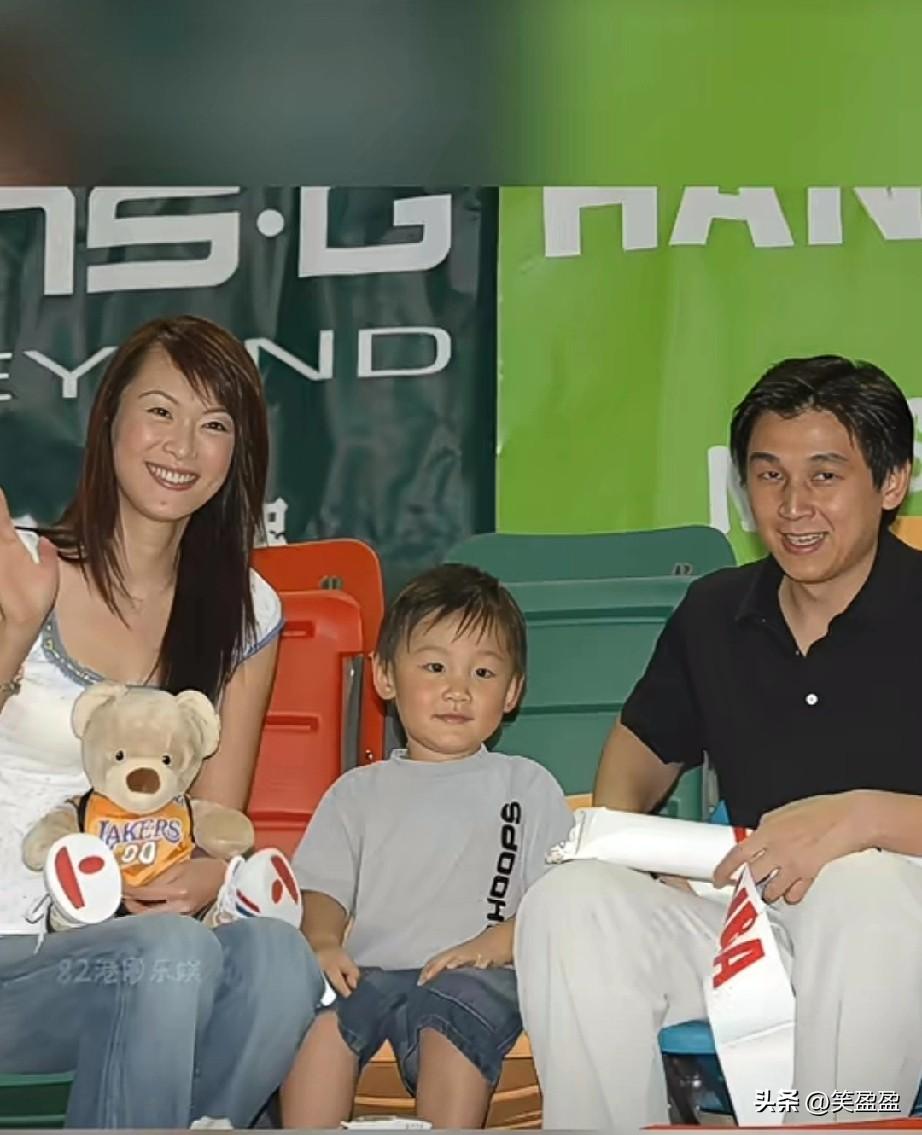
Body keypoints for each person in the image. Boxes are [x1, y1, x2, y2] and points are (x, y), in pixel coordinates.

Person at [515, 355, 922, 1129]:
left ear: (892, 481)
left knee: (862, 889)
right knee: (571, 902)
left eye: (825, 475)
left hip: (898, 914)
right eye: (769, 476)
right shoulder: (716, 611)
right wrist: (633, 846)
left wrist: (860, 819)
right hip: (747, 912)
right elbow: (641, 745)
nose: (794, 506)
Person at [0, 315, 325, 1128]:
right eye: (160, 410)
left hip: (148, 951)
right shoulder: (21, 571)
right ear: (109, 415)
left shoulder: (247, 609)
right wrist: (17, 625)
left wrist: (207, 876)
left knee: (280, 958)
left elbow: (218, 820)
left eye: (214, 424)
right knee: (170, 954)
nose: (182, 445)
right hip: (15, 955)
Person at [281, 563, 574, 1128]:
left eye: (483, 672)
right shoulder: (356, 792)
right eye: (435, 667)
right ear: (385, 676)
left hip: (481, 976)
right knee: (317, 1010)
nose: (457, 690)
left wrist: (493, 944)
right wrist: (322, 943)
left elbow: (558, 901)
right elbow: (322, 890)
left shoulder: (526, 785)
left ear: (512, 692)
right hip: (369, 973)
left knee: (457, 1006)